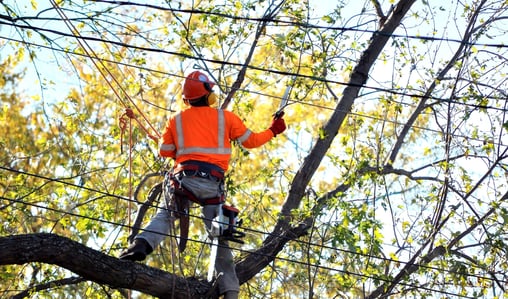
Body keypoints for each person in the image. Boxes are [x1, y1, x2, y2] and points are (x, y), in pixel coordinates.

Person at [119, 70, 287, 299]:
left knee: (166, 215)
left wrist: (176, 143)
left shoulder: (176, 120)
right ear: (209, 95)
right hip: (211, 185)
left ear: (187, 99)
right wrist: (273, 130)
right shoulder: (226, 118)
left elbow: (164, 151)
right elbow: (251, 141)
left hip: (183, 180)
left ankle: (140, 244)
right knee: (218, 236)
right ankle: (230, 291)